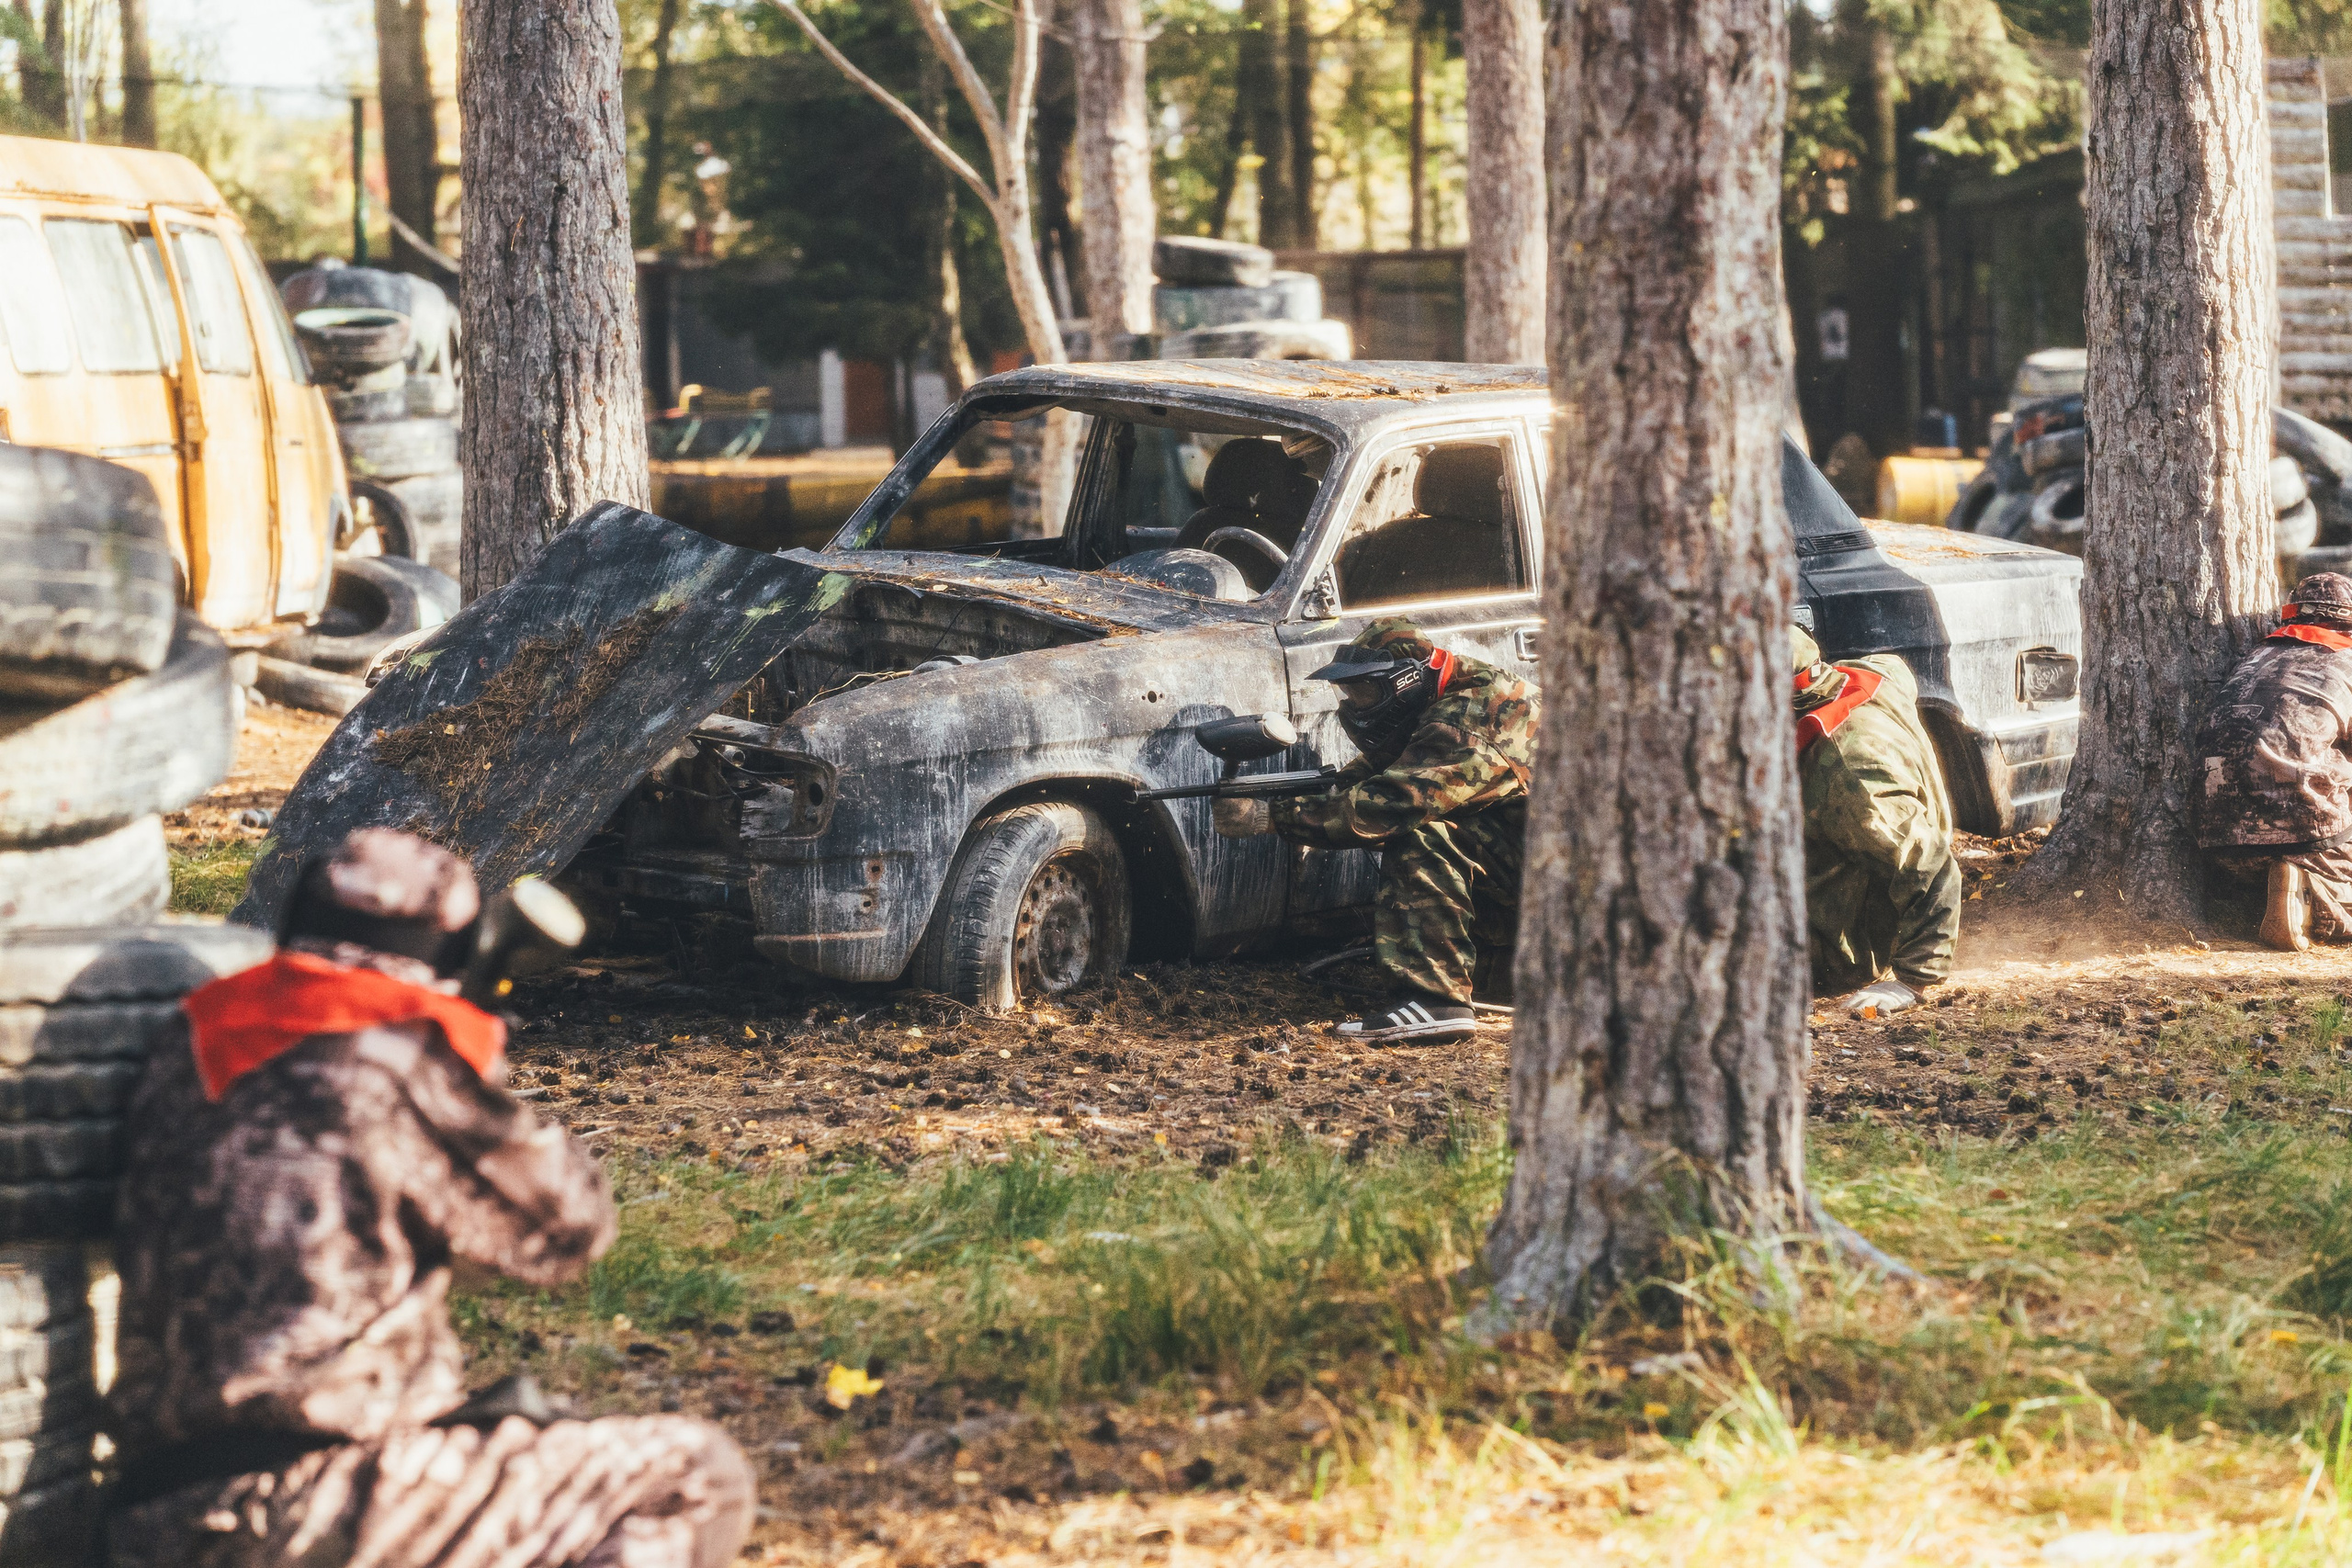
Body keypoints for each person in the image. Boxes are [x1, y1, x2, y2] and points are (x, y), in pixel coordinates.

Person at [107, 829, 753, 1568]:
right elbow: (568, 1232)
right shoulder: (402, 1057)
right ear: (450, 951)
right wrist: (477, 1070)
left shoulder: (186, 1037)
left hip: (152, 1513)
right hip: (320, 1502)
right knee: (696, 1473)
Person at [1212, 618, 1537, 1043]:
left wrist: (1270, 816)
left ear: (1405, 681)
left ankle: (1435, 1003)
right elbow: (1397, 762)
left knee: (1423, 835)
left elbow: (1393, 803)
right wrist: (1327, 790)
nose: (1355, 705)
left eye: (1364, 692)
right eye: (1349, 693)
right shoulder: (1449, 694)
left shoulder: (1472, 718)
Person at [1794, 614, 1962, 1017]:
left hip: (1841, 950)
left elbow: (1931, 865)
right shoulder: (1862, 678)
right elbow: (1892, 665)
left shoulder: (1851, 773)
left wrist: (1910, 981)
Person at [2195, 571, 2352, 952]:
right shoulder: (2346, 660)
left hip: (2215, 836)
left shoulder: (2253, 657)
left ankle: (2286, 883)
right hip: (2300, 832)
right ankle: (2312, 889)